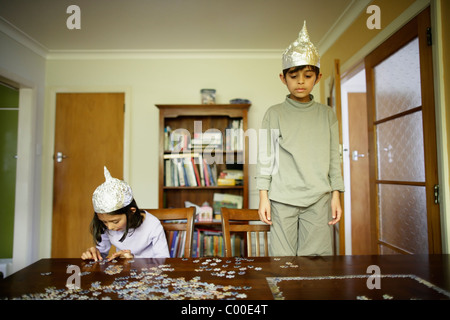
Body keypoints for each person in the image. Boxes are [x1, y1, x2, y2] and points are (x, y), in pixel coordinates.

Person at [256, 21, 344, 256]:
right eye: (294, 76)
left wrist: (336, 195)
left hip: (318, 199)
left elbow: (334, 157)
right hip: (282, 199)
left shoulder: (327, 114)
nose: (301, 81)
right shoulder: (274, 113)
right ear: (283, 78)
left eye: (308, 75)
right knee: (282, 263)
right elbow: (266, 157)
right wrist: (263, 197)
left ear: (318, 77)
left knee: (316, 265)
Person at [81, 166, 170, 261]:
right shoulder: (107, 226)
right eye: (104, 222)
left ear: (132, 211)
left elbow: (163, 260)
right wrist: (94, 253)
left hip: (150, 271)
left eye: (115, 221)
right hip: (124, 270)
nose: (109, 227)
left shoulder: (153, 225)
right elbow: (101, 254)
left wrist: (134, 259)